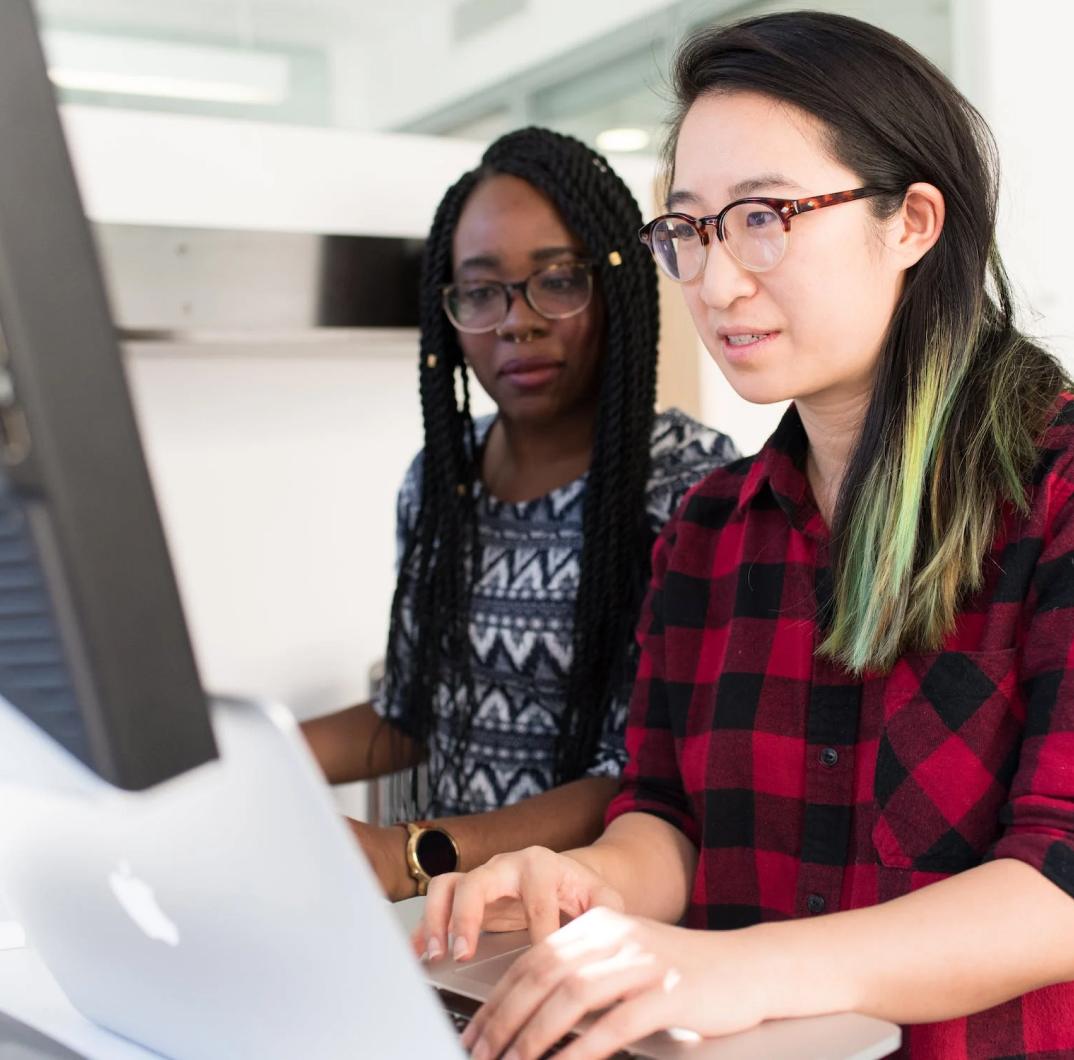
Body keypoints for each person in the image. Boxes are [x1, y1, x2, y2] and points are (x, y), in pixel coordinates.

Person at [415, 13, 1074, 1059]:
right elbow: (666, 819)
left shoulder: (1058, 491)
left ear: (911, 222)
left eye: (765, 216)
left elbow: (1061, 880)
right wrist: (587, 880)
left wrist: (737, 966)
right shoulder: (709, 529)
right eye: (690, 230)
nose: (717, 283)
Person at [302, 127, 737, 903]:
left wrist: (411, 855)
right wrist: (242, 758)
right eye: (480, 291)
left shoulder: (689, 488)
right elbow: (411, 711)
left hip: (599, 923)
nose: (517, 321)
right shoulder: (441, 481)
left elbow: (643, 777)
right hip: (453, 922)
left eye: (558, 280)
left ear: (616, 288)